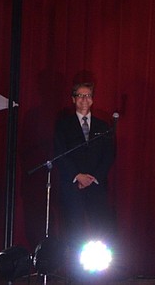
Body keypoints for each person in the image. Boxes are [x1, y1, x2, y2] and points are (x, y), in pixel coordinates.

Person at [52, 81, 116, 245]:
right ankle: (73, 267)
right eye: (80, 96)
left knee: (100, 228)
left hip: (96, 185)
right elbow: (59, 152)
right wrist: (78, 176)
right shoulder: (63, 124)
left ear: (92, 99)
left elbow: (109, 155)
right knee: (74, 230)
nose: (84, 99)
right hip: (72, 185)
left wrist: (93, 177)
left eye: (87, 95)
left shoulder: (103, 125)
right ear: (73, 99)